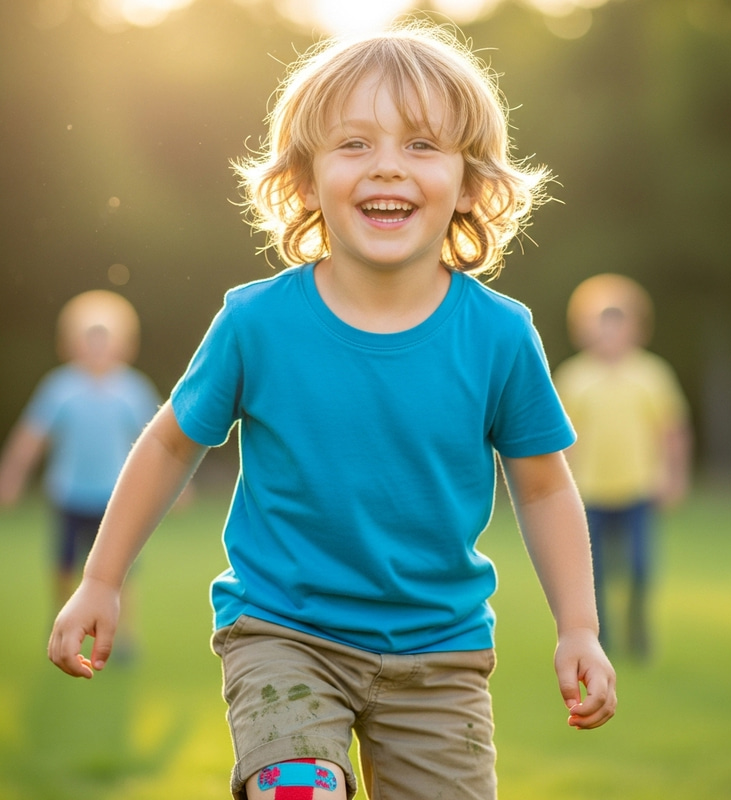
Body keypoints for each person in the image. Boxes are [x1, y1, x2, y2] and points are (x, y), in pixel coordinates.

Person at [47, 23, 616, 800]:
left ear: (472, 183)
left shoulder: (499, 335)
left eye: (422, 145)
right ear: (306, 181)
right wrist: (102, 580)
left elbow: (545, 486)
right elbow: (169, 445)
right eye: (354, 144)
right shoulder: (257, 324)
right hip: (284, 633)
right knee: (298, 789)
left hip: (440, 651)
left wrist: (578, 626)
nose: (388, 165)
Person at [0, 290, 160, 650]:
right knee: (64, 565)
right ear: (72, 344)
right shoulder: (60, 387)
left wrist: (179, 487)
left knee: (122, 570)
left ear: (122, 344)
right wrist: (11, 476)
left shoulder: (132, 389)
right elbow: (31, 437)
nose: (97, 348)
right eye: (90, 340)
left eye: (105, 340)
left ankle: (122, 636)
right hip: (69, 494)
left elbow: (159, 444)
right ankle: (61, 623)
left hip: (115, 499)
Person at [553, 274, 691, 660]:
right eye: (601, 324)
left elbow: (672, 430)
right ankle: (602, 637)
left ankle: (638, 632)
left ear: (634, 328)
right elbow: (561, 441)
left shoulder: (652, 373)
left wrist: (674, 475)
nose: (609, 333)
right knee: (593, 573)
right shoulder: (573, 377)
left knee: (640, 567)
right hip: (590, 490)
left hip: (639, 487)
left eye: (618, 324)